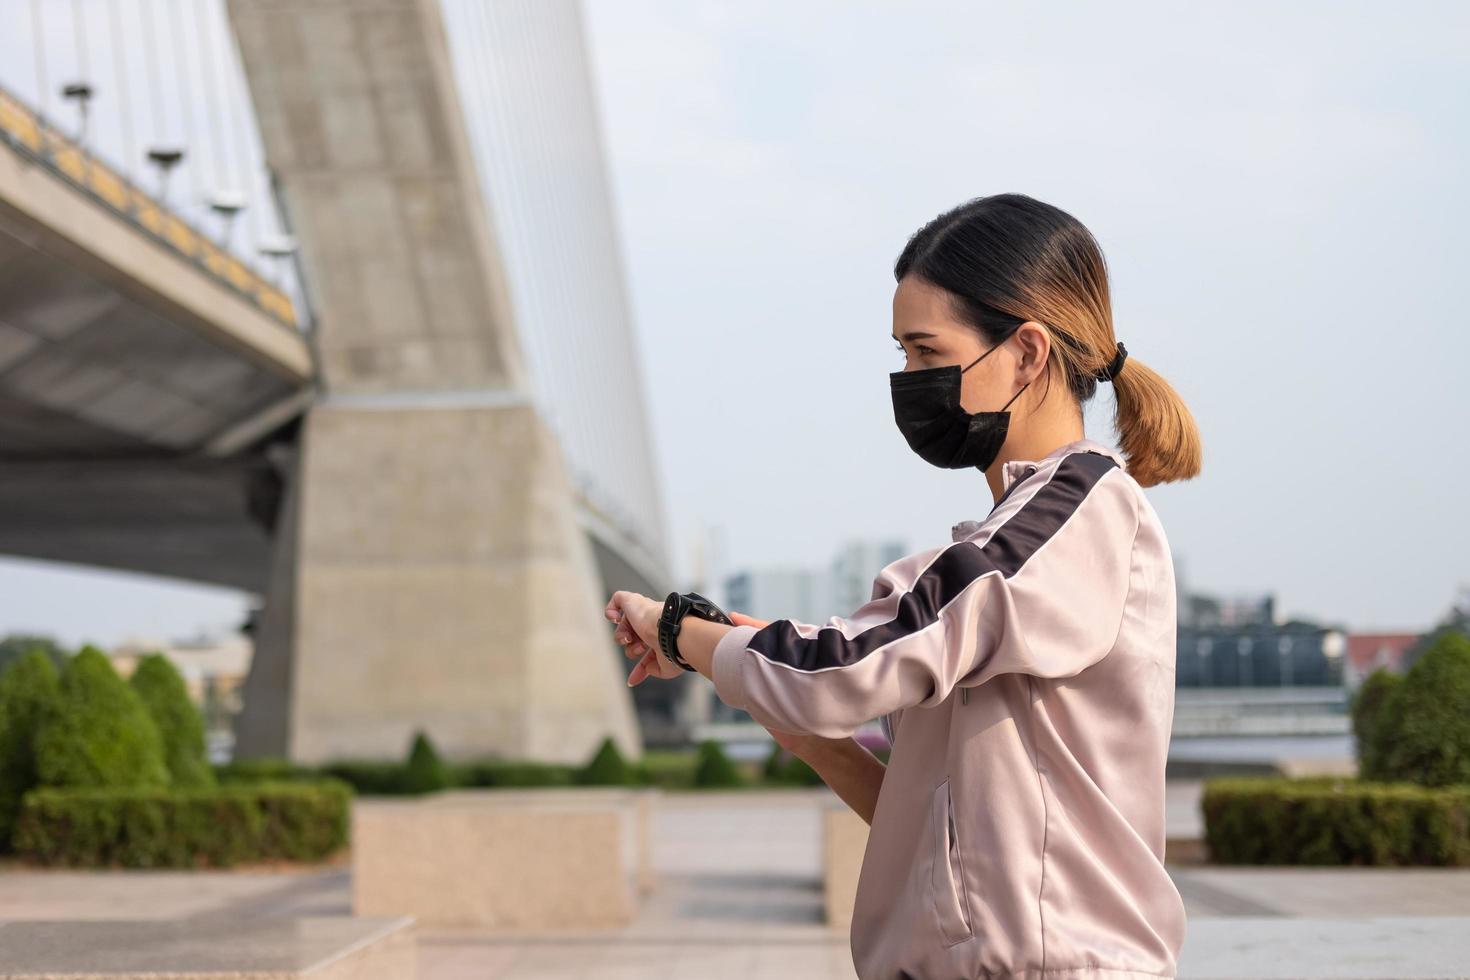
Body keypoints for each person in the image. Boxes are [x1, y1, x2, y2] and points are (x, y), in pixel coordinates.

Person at [605, 192, 1201, 980]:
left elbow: (843, 666)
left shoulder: (1077, 516)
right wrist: (803, 727)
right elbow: (942, 841)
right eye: (902, 355)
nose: (908, 379)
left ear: (1026, 354)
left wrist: (682, 629)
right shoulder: (1019, 541)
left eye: (926, 351)